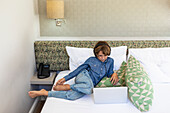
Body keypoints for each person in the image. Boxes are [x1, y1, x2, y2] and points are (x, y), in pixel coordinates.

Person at [28, 41, 119, 100]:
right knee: (90, 88)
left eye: (105, 55)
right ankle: (67, 86)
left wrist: (114, 74)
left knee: (72, 96)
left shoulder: (110, 61)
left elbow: (110, 73)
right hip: (84, 76)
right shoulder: (91, 60)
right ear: (96, 54)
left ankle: (45, 92)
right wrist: (64, 79)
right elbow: (78, 69)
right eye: (100, 56)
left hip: (89, 85)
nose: (103, 58)